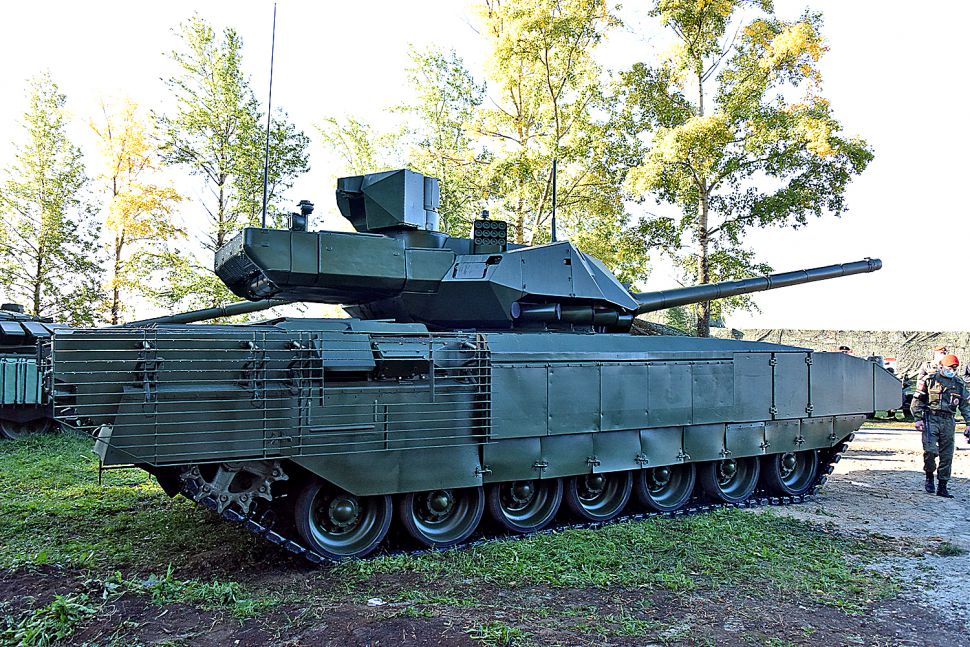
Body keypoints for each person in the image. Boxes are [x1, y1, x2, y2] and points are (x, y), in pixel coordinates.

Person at [911, 354, 970, 497]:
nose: (952, 370)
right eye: (950, 367)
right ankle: (929, 475)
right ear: (942, 366)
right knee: (930, 451)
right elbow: (917, 400)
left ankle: (943, 486)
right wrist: (918, 419)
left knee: (947, 455)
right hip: (931, 418)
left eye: (955, 368)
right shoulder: (930, 380)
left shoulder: (959, 384)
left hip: (948, 421)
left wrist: (969, 423)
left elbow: (965, 405)